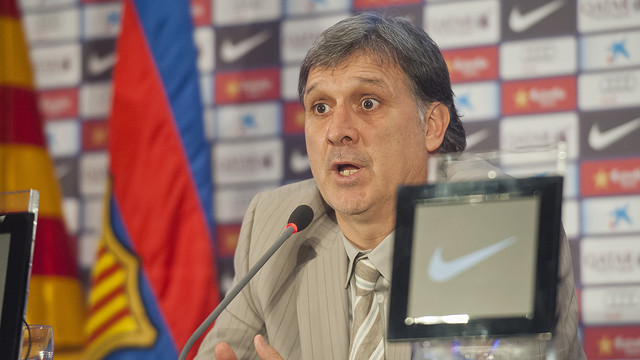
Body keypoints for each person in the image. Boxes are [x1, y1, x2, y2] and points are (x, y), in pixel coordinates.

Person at [195, 12, 585, 360]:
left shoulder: (499, 225)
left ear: (431, 126)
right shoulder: (276, 224)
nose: (337, 131)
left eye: (367, 103)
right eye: (320, 107)